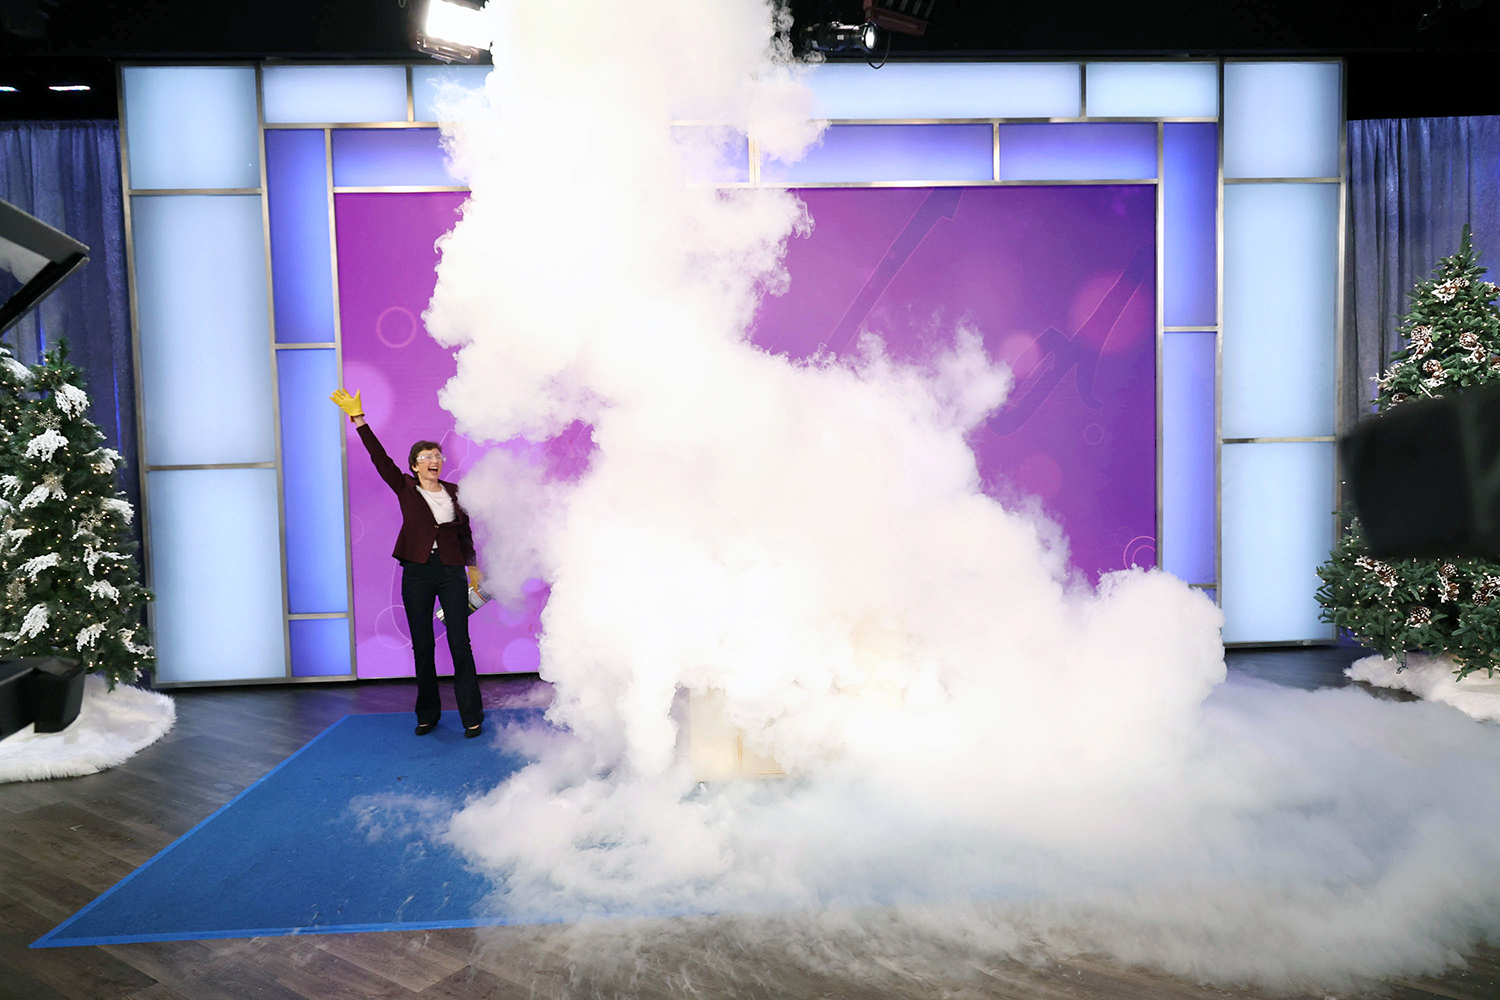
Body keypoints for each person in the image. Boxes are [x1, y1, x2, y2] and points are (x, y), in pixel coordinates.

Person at [330, 387, 485, 738]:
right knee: (423, 645)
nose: (435, 459)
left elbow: (465, 536)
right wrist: (359, 419)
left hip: (451, 573)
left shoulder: (457, 492)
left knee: (460, 643)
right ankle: (428, 714)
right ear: (415, 466)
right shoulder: (404, 486)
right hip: (416, 572)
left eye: (438, 455)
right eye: (427, 456)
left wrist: (473, 566)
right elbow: (379, 458)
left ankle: (471, 715)